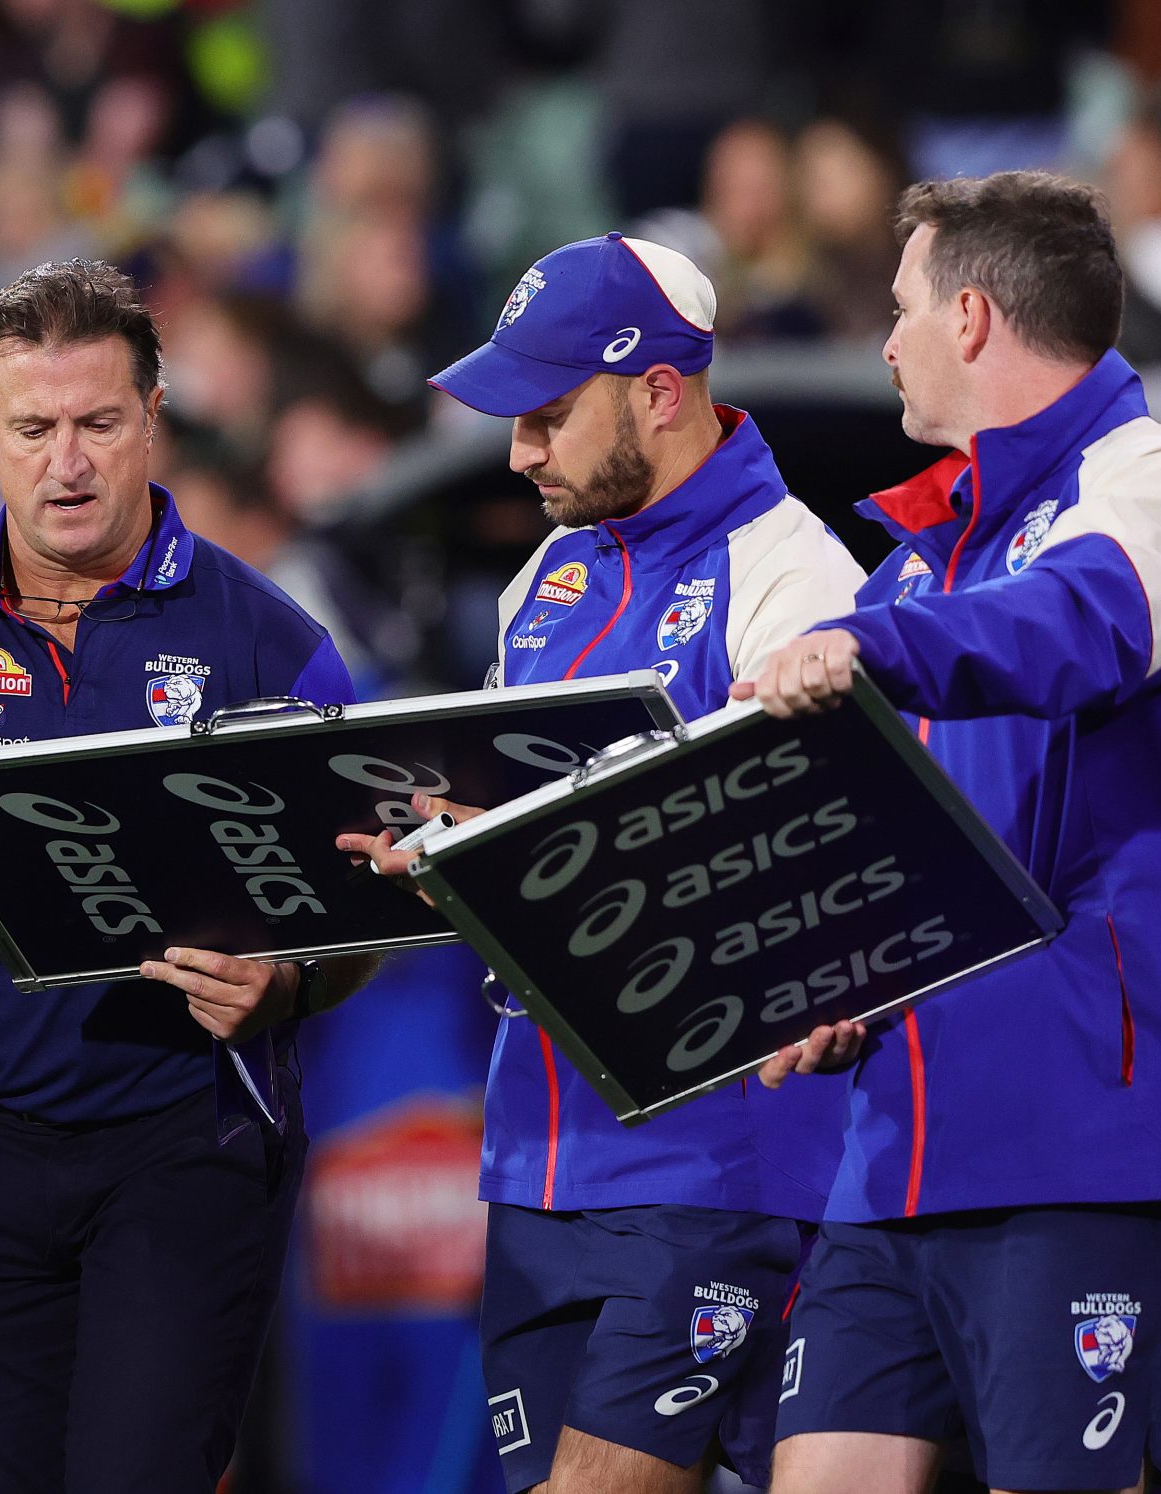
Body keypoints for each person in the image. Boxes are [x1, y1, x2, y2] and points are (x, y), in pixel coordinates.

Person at [0, 260, 375, 1492]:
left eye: (99, 423)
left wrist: (290, 979)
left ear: (153, 415)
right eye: (34, 429)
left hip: (185, 1138)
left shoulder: (267, 637)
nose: (69, 462)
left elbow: (356, 901)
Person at [738, 171, 1161, 1494]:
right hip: (901, 1151)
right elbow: (885, 842)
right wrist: (838, 983)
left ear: (972, 318)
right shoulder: (919, 564)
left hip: (1095, 1140)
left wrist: (865, 645)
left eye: (904, 305)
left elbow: (1070, 626)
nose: (887, 339)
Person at [342, 232, 867, 1493]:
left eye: (547, 415)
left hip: (716, 1154)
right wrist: (447, 853)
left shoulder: (794, 573)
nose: (518, 451)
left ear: (660, 392)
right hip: (537, 1154)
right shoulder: (542, 580)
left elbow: (827, 850)